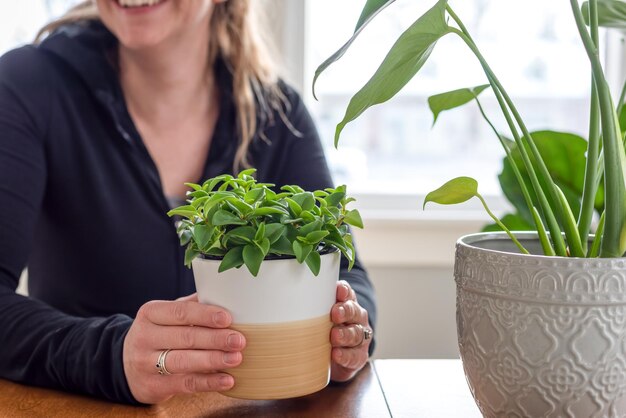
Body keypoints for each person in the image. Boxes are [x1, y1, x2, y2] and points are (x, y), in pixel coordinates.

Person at [0, 0, 377, 405]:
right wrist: (112, 355)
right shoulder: (28, 86)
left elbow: (349, 277)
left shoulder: (278, 115)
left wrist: (346, 336)